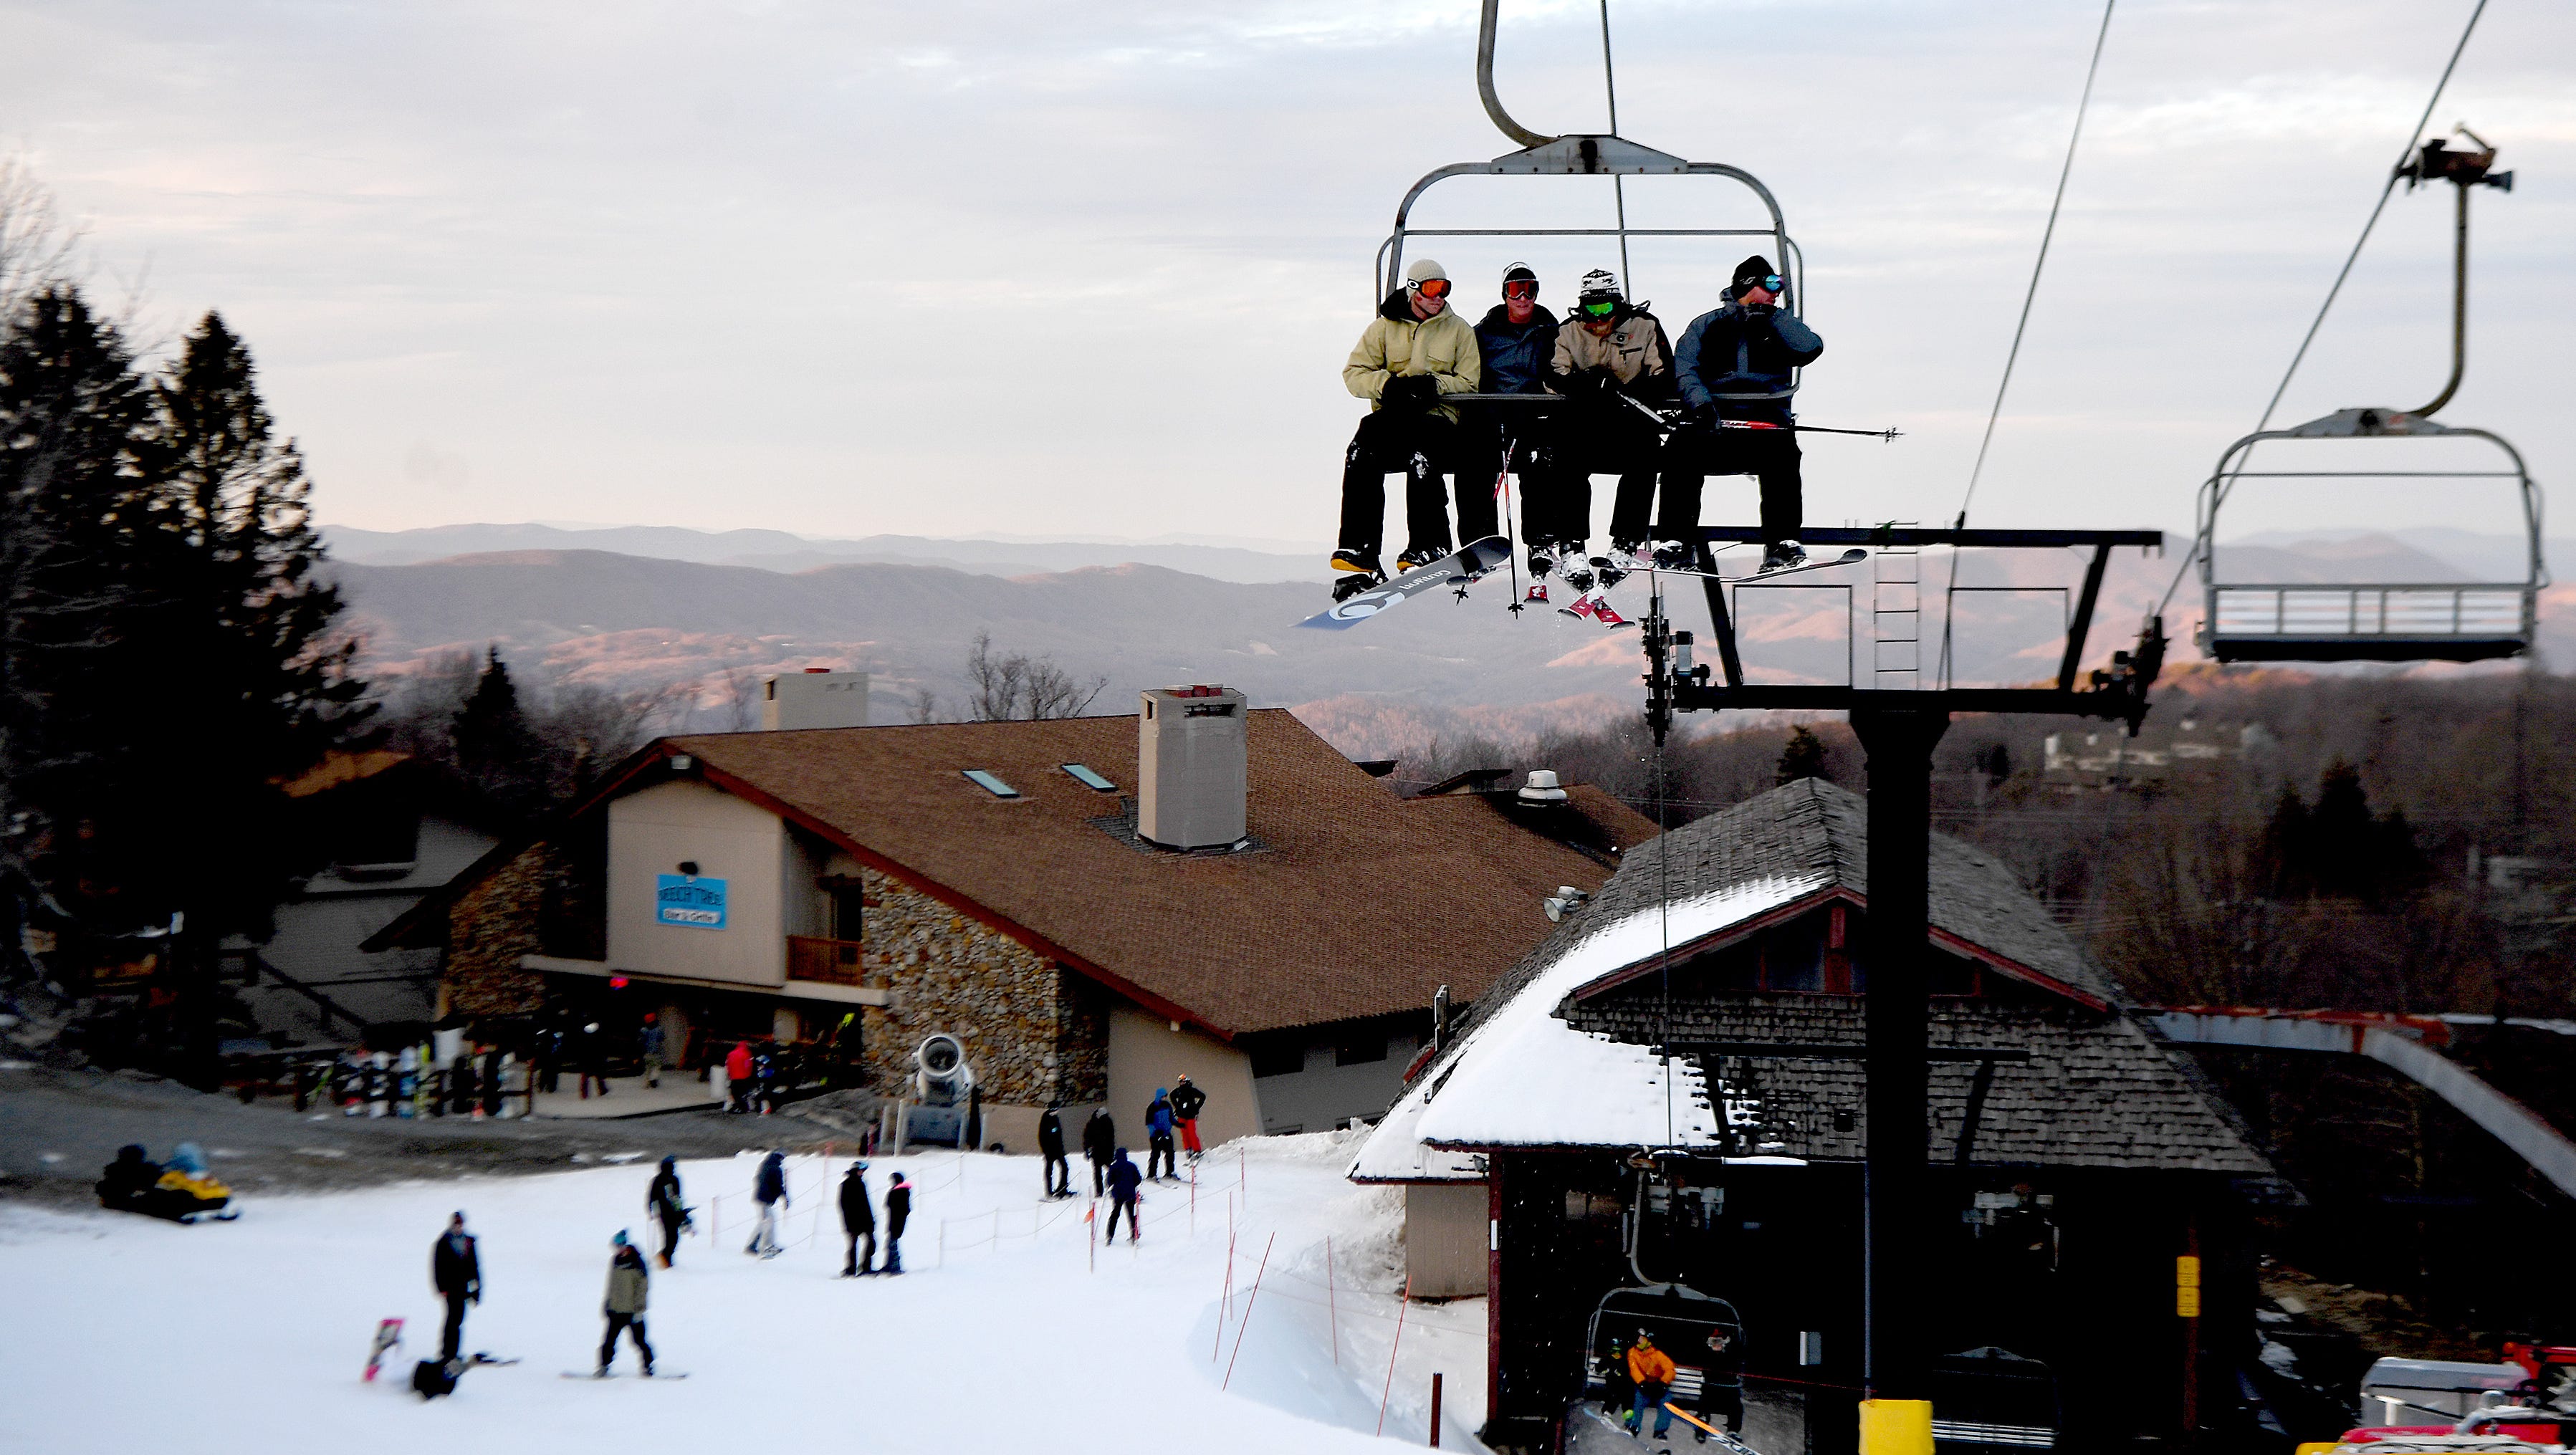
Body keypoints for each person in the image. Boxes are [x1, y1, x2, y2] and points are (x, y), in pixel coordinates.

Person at [1332, 257, 1488, 600]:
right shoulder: (1384, 328)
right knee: (1360, 453)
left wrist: (1436, 386)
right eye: (1432, 289)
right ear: (1413, 290)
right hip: (1395, 413)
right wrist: (1387, 386)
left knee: (1423, 457)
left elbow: (1470, 382)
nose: (1439, 297)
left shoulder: (1458, 330)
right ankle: (1360, 551)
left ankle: (1428, 544)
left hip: (1438, 417)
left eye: (1445, 289)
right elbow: (1354, 373)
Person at [1663, 254, 1825, 573]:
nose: (1777, 292)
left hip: (1764, 423)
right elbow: (1685, 368)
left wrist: (1772, 319)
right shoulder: (1707, 326)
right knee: (1679, 454)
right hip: (1713, 422)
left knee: (1784, 456)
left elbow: (1810, 348)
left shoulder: (1780, 324)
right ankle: (1676, 542)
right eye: (1771, 284)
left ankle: (1782, 542)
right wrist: (1700, 404)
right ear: (1750, 286)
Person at [1553, 269, 1675, 577]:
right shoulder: (1569, 332)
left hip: (1631, 420)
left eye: (1605, 308)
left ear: (1617, 304)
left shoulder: (1645, 327)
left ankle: (1625, 542)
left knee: (1645, 461)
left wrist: (1630, 393)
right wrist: (1587, 385)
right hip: (1585, 420)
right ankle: (1572, 546)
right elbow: (1553, 375)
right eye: (1591, 308)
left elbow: (1663, 373)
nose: (1598, 317)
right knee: (1567, 461)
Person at [1470, 262, 1566, 600]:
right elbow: (1470, 369)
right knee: (1476, 462)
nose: (1523, 297)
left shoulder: (1552, 331)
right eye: (1515, 290)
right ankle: (1479, 540)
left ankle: (1540, 542)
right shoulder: (1483, 333)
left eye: (1530, 289)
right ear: (1504, 295)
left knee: (1541, 461)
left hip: (1537, 413)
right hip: (1494, 412)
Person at [596, 1230, 655, 1377]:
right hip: (615, 1310)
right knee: (609, 1342)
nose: (618, 1250)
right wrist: (607, 1303)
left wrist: (640, 1310)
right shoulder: (615, 1261)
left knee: (639, 1341)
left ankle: (648, 1366)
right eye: (615, 1247)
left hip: (632, 1311)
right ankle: (604, 1366)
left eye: (619, 1247)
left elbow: (643, 1288)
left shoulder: (637, 1263)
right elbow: (611, 1285)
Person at [431, 1211, 481, 1362]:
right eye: (456, 1223)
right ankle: (447, 1352)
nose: (458, 1226)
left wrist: (476, 1290)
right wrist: (441, 1288)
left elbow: (474, 1267)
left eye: (460, 1224)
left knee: (459, 1319)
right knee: (452, 1319)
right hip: (449, 1288)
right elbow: (437, 1267)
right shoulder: (443, 1242)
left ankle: (454, 1351)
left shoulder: (468, 1242)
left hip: (463, 1287)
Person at [1625, 1330, 1678, 1440]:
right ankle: (1633, 1426)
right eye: (1639, 1339)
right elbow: (1633, 1369)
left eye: (1643, 1339)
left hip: (1658, 1385)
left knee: (1666, 1402)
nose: (1640, 1341)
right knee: (1637, 1400)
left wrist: (1663, 1383)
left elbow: (1670, 1369)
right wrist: (1641, 1382)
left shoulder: (1657, 1354)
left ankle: (1660, 1430)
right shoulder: (1632, 1353)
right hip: (1644, 1385)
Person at [1700, 1327, 1746, 1435]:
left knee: (1737, 1405)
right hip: (1712, 1389)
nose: (1717, 1346)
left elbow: (1734, 1368)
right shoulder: (1707, 1356)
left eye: (1719, 1344)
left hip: (1726, 1391)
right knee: (1705, 1397)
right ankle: (1702, 1420)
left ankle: (1733, 1430)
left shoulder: (1729, 1357)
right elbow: (1706, 1372)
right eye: (1715, 1344)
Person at [837, 1159, 876, 1277]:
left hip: (865, 1220)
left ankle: (865, 1267)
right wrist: (849, 1219)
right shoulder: (846, 1185)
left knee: (871, 1243)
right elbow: (843, 1204)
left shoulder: (861, 1183)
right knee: (853, 1245)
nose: (862, 1173)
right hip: (853, 1221)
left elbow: (866, 1203)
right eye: (861, 1171)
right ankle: (851, 1269)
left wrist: (870, 1219)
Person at [646, 1156, 687, 1269]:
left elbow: (676, 1197)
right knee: (672, 1237)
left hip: (670, 1213)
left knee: (672, 1237)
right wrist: (651, 1209)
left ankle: (666, 1257)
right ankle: (664, 1258)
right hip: (666, 1213)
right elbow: (653, 1197)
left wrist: (650, 1209)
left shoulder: (665, 1180)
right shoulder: (666, 1180)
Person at [746, 1148, 787, 1258]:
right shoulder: (775, 1168)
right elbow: (777, 1186)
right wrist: (784, 1197)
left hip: (762, 1199)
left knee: (768, 1222)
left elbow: (758, 1180)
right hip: (764, 1200)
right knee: (765, 1224)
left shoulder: (765, 1165)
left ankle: (769, 1245)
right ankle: (755, 1246)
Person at [1103, 1147, 1144, 1244]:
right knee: (1131, 1215)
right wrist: (1132, 1184)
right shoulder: (1132, 1166)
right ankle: (1134, 1235)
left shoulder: (1113, 1167)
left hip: (1118, 1194)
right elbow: (1138, 1179)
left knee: (1115, 1215)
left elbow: (1109, 1181)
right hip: (1130, 1194)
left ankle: (1109, 1236)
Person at [1167, 1075, 1208, 1166]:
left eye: (1182, 1081)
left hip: (1190, 1115)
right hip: (1182, 1115)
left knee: (1192, 1133)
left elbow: (1203, 1097)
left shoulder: (1192, 1090)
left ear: (1186, 1081)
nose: (1181, 1083)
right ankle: (1188, 1149)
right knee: (1184, 1133)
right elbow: (1172, 1096)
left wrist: (1196, 1107)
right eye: (1180, 1082)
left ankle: (1197, 1150)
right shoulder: (1178, 1091)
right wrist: (1178, 1107)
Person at [1037, 1104, 1072, 1199]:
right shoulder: (1046, 1119)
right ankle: (1049, 1191)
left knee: (1065, 1168)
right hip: (1050, 1151)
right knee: (1049, 1170)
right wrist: (1045, 1150)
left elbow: (1058, 1135)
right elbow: (1042, 1136)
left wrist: (1061, 1147)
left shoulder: (1055, 1118)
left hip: (1058, 1150)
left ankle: (1062, 1188)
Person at [1144, 1087, 1177, 1182]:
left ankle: (1170, 1172)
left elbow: (1171, 1118)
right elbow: (1149, 1122)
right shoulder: (1152, 1107)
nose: (1164, 1098)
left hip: (1166, 1133)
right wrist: (1155, 1132)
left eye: (1165, 1096)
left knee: (1170, 1152)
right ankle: (1152, 1174)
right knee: (1156, 1154)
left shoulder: (1167, 1105)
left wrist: (1178, 1124)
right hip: (1156, 1135)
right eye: (1163, 1096)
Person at [1082, 1105, 1116, 1197]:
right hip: (1097, 1152)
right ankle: (1099, 1191)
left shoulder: (1108, 1122)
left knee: (1110, 1170)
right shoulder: (1092, 1124)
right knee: (1098, 1173)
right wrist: (1087, 1149)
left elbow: (1111, 1139)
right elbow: (1087, 1137)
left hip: (1106, 1152)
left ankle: (1110, 1187)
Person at [882, 1171, 911, 1274]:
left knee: (892, 1245)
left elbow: (889, 1204)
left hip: (896, 1223)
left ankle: (895, 1266)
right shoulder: (901, 1191)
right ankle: (889, 1265)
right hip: (894, 1222)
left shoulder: (898, 1192)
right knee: (890, 1244)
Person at [724, 1040, 755, 1115]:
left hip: (734, 1077)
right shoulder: (747, 1054)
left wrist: (730, 1075)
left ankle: (736, 1106)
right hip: (744, 1077)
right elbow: (748, 1066)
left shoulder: (730, 1054)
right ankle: (743, 1108)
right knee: (742, 1093)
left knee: (735, 1092)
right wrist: (749, 1075)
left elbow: (728, 1065)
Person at [638, 1014, 666, 1090]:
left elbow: (640, 1041)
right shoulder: (659, 1030)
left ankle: (646, 1083)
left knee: (648, 1068)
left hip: (647, 1053)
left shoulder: (644, 1030)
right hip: (656, 1052)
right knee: (656, 1068)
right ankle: (653, 1081)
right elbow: (662, 1038)